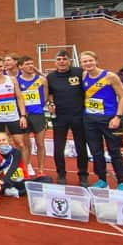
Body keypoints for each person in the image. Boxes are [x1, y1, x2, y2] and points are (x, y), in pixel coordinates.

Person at [80, 51, 123, 190]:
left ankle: (121, 181)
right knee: (96, 152)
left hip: (110, 119)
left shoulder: (110, 76)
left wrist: (118, 117)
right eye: (84, 61)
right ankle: (102, 179)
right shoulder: (84, 76)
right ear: (81, 64)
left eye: (90, 60)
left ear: (96, 60)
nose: (88, 64)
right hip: (90, 119)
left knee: (114, 151)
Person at [46, 50, 89, 186]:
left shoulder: (79, 72)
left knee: (81, 146)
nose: (62, 61)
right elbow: (50, 94)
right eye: (59, 59)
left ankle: (83, 175)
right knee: (58, 147)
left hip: (78, 115)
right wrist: (51, 103)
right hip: (60, 117)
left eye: (64, 59)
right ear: (55, 62)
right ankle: (61, 174)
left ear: (69, 60)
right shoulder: (51, 77)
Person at [17, 55, 48, 176]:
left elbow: (45, 98)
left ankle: (41, 170)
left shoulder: (41, 80)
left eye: (31, 63)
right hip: (24, 115)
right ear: (20, 67)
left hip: (38, 115)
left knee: (40, 144)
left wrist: (38, 107)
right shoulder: (17, 80)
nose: (30, 66)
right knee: (24, 145)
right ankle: (25, 169)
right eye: (27, 64)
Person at [0, 132, 28, 206]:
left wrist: (2, 181)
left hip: (20, 180)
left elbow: (13, 167)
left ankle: (11, 192)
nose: (2, 142)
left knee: (46, 179)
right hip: (6, 182)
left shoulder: (16, 152)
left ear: (9, 140)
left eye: (4, 140)